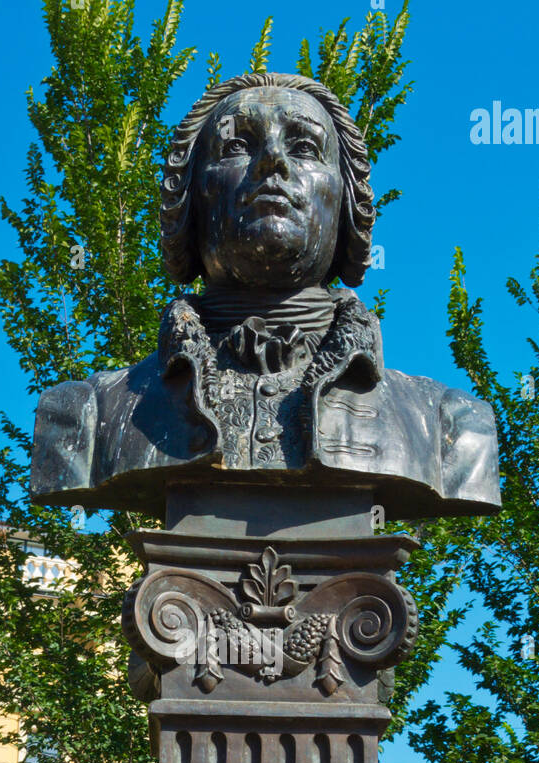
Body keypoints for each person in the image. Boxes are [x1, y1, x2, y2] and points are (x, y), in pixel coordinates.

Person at [31, 71, 501, 523]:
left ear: (348, 205)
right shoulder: (87, 414)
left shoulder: (450, 425)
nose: (272, 162)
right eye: (236, 146)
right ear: (188, 201)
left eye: (304, 147)